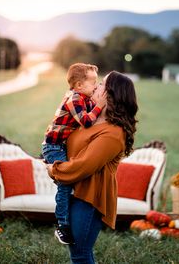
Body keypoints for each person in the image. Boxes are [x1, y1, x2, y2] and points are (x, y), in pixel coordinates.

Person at [47, 71, 138, 264]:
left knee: (80, 253)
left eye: (101, 84)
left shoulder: (113, 133)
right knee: (77, 253)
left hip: (89, 199)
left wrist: (53, 170)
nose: (95, 87)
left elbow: (83, 166)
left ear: (111, 95)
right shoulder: (91, 119)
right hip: (76, 191)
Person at [42, 63, 107, 245]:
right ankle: (62, 225)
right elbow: (86, 121)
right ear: (79, 85)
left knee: (69, 181)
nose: (95, 86)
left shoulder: (84, 97)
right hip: (53, 146)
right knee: (64, 183)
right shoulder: (75, 98)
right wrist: (100, 105)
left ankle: (68, 214)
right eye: (93, 82)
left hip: (61, 146)